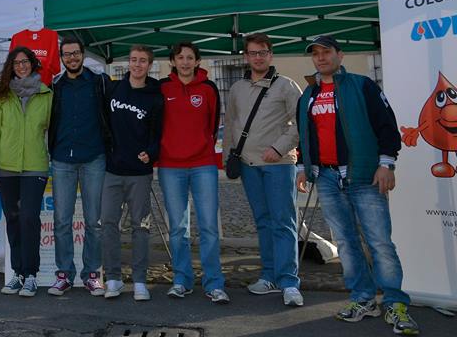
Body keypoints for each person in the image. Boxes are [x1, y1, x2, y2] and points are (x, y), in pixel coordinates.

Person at [296, 35, 419, 334]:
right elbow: (305, 134)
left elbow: (387, 126)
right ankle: (363, 298)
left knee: (379, 242)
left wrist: (386, 164)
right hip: (325, 177)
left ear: (340, 55)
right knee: (346, 243)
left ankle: (394, 302)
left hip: (363, 175)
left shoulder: (362, 85)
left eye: (327, 52)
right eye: (316, 54)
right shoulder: (308, 95)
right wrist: (303, 166)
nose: (321, 58)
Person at [224, 33, 303, 306]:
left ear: (270, 55)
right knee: (263, 222)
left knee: (284, 223)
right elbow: (232, 124)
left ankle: (289, 281)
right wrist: (229, 158)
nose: (258, 57)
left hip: (279, 164)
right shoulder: (237, 89)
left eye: (263, 52)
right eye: (253, 53)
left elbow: (300, 123)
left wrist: (280, 148)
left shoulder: (286, 86)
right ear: (246, 56)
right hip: (249, 166)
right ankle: (269, 275)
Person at [157, 42, 228, 303]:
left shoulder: (208, 89)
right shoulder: (162, 88)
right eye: (180, 58)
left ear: (197, 62)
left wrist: (200, 147)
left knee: (209, 226)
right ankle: (181, 280)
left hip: (203, 164)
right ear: (173, 62)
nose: (185, 62)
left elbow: (213, 126)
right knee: (177, 228)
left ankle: (214, 283)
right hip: (170, 166)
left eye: (190, 58)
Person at [0, 47, 52, 298]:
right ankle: (18, 274)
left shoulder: (47, 95)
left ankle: (31, 275)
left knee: (29, 218)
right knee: (13, 219)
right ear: (11, 67)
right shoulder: (2, 96)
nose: (21, 66)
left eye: (25, 62)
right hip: (5, 167)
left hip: (35, 166)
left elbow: (52, 131)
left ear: (33, 64)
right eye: (16, 62)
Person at [47, 35, 112, 297]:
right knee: (61, 220)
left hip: (94, 157)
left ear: (83, 55)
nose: (71, 58)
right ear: (61, 58)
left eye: (75, 53)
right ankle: (64, 275)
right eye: (67, 54)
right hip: (62, 158)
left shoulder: (99, 83)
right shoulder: (55, 86)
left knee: (94, 221)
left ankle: (92, 274)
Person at [101, 44, 163, 302]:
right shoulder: (114, 89)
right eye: (133, 60)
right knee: (108, 224)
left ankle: (139, 280)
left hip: (140, 172)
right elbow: (103, 123)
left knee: (141, 227)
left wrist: (151, 152)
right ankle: (113, 278)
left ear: (149, 65)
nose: (137, 65)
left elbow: (157, 133)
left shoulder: (154, 96)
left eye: (142, 61)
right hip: (113, 170)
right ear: (128, 63)